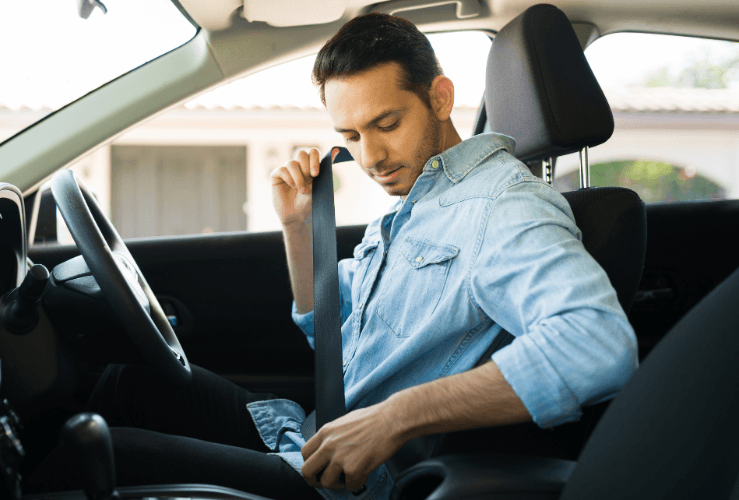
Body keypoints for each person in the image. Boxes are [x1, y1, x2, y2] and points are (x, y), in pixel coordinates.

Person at [26, 12, 637, 500]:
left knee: (86, 457)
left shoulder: (503, 207)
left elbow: (598, 344)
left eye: (386, 123)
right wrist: (298, 229)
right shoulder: (420, 200)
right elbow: (336, 345)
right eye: (350, 136)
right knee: (120, 389)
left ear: (441, 97)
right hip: (309, 431)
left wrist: (396, 417)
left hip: (346, 483)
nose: (369, 157)